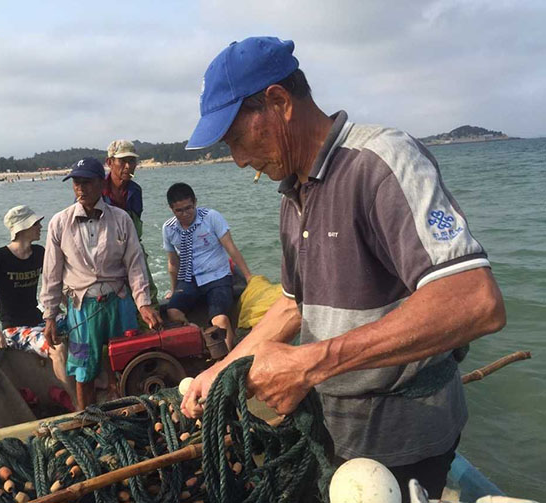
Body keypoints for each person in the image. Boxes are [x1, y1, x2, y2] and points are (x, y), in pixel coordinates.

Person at [179, 36, 506, 499]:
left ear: (279, 102)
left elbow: (475, 299)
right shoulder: (293, 194)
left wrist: (307, 364)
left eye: (236, 139)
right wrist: (223, 370)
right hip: (333, 427)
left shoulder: (382, 162)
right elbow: (293, 307)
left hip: (404, 438)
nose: (238, 160)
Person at [40, 157, 162, 409]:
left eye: (86, 182)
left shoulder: (121, 219)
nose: (80, 188)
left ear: (100, 184)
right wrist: (50, 316)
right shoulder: (59, 223)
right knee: (83, 369)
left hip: (119, 301)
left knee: (127, 364)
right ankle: (88, 417)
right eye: (76, 183)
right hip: (81, 308)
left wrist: (143, 303)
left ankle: (131, 411)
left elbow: (135, 264)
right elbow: (51, 273)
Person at [0, 205, 71, 393]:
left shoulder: (39, 253)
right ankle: (78, 403)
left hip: (39, 319)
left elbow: (54, 285)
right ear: (23, 228)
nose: (40, 227)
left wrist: (71, 308)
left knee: (83, 324)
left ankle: (93, 380)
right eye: (36, 224)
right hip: (15, 328)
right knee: (58, 349)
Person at [162, 182, 252, 350]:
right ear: (171, 209)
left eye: (189, 208)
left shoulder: (211, 217)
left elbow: (231, 248)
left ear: (195, 202)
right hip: (189, 279)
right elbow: (173, 263)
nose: (185, 214)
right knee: (172, 312)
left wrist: (248, 276)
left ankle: (226, 357)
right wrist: (173, 290)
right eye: (179, 210)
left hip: (217, 276)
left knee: (220, 319)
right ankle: (201, 337)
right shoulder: (169, 228)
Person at [103, 139, 158, 305]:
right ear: (110, 162)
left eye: (132, 161)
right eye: (122, 161)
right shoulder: (97, 190)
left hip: (133, 247)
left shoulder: (135, 190)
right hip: (104, 253)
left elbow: (136, 224)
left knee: (148, 294)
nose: (128, 166)